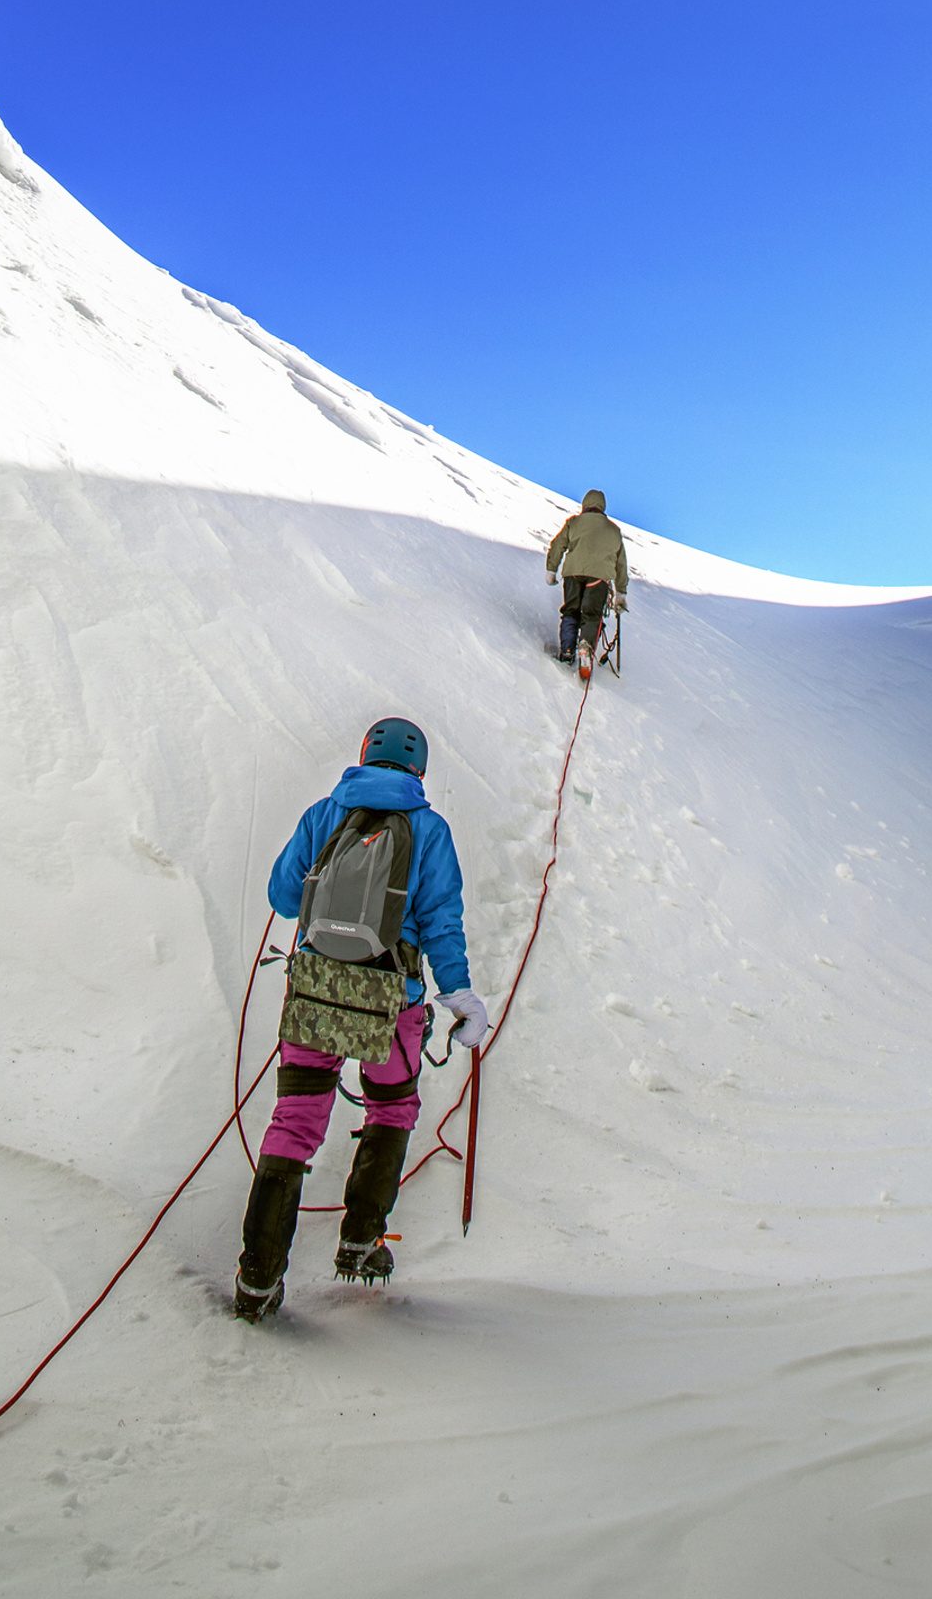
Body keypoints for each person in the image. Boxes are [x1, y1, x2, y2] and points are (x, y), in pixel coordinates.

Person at [233, 715, 488, 1320]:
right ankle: (360, 1241)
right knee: (393, 1107)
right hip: (390, 998)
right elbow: (442, 922)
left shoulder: (325, 813)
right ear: (419, 770)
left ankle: (258, 1278)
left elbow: (283, 897)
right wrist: (459, 997)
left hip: (317, 990)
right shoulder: (428, 829)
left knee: (294, 1121)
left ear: (364, 755)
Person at [545, 489, 628, 664]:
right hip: (599, 579)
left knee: (571, 610)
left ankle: (567, 650)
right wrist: (620, 593)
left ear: (585, 504)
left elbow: (558, 545)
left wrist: (551, 570)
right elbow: (621, 564)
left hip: (573, 574)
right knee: (592, 614)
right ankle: (586, 647)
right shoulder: (614, 531)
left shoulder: (573, 523)